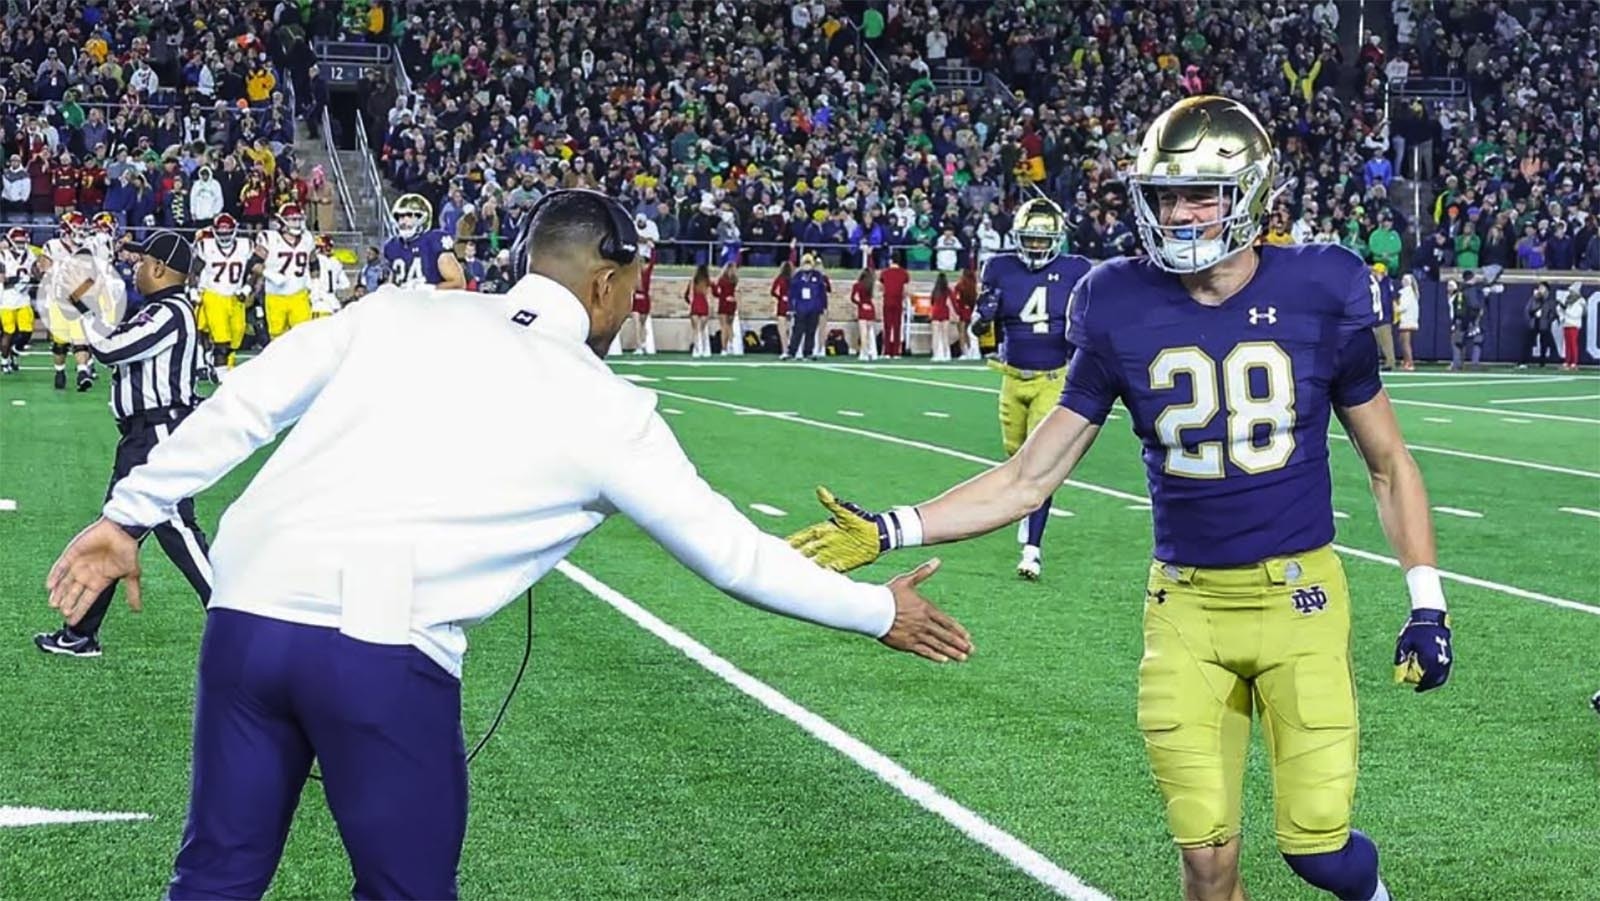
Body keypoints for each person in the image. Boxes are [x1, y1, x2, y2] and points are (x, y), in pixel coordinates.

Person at [44, 190, 971, 899]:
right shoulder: (607, 405)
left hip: (245, 615)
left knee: (214, 879)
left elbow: (242, 404)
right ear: (606, 281)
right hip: (378, 634)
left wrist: (127, 517)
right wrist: (879, 607)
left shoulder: (401, 309)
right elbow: (733, 556)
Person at [787, 96, 1452, 901]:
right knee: (1207, 864)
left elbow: (1387, 463)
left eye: (1200, 193)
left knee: (1317, 848)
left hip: (1301, 599)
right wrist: (893, 527)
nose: (1177, 212)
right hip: (1185, 607)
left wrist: (1426, 602)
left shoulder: (1323, 284)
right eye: (1165, 194)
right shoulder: (1116, 300)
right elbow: (1030, 475)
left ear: (1253, 194)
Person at [36, 231, 213, 657]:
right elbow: (114, 329)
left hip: (157, 436)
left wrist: (82, 300)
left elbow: (112, 347)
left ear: (158, 269)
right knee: (116, 529)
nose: (134, 269)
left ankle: (240, 618)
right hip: (142, 437)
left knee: (177, 530)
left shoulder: (171, 311)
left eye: (140, 262)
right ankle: (80, 633)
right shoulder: (159, 310)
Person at [971, 197, 1093, 580]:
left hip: (1053, 378)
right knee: (1016, 460)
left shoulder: (1076, 269)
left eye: (1043, 240)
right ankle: (1028, 513)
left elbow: (1088, 319)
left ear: (1057, 239)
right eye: (1031, 239)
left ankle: (1032, 549)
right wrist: (983, 319)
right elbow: (981, 329)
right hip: (1012, 376)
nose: (1037, 246)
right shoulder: (1000, 267)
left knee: (1039, 465)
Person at [383, 193, 466, 290]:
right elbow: (392, 281)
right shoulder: (392, 246)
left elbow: (458, 283)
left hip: (432, 303)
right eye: (400, 216)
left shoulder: (434, 241)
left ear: (423, 218)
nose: (403, 222)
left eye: (409, 216)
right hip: (404, 303)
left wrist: (431, 288)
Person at [783, 253, 828, 360]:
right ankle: (792, 352)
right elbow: (792, 294)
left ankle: (808, 352)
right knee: (797, 330)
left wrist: (824, 306)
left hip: (814, 307)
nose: (807, 266)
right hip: (801, 307)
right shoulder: (797, 276)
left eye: (809, 263)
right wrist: (790, 308)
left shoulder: (817, 276)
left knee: (811, 331)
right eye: (805, 263)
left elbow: (822, 293)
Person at [851, 267, 878, 361]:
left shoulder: (857, 285)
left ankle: (864, 353)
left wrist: (860, 304)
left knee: (863, 333)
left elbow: (853, 298)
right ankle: (871, 352)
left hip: (863, 309)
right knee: (869, 333)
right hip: (870, 309)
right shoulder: (870, 285)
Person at [685, 263, 711, 357]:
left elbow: (690, 295)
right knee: (703, 330)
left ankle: (696, 350)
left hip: (696, 305)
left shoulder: (693, 280)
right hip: (704, 305)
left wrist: (691, 305)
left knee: (695, 330)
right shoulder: (707, 281)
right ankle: (705, 350)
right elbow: (708, 295)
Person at [1395, 272, 1419, 370]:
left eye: (1405, 280)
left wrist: (1396, 308)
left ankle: (1409, 363)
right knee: (1402, 341)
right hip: (1407, 320)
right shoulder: (1409, 292)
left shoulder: (1407, 292)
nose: (1403, 281)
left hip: (1407, 320)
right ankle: (1406, 361)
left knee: (1405, 343)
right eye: (1403, 279)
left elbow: (1403, 307)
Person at [1560, 282, 1586, 370]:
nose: (1570, 293)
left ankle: (1574, 362)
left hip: (1574, 324)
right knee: (1567, 344)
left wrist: (1565, 310)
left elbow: (1577, 314)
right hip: (1566, 324)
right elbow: (1562, 311)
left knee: (1573, 344)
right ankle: (1567, 361)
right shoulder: (1568, 300)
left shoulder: (1580, 301)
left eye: (1571, 291)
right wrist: (1562, 313)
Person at [927, 272, 951, 361]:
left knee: (935, 335)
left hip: (936, 312)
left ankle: (935, 354)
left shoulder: (935, 290)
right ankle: (946, 354)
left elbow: (932, 302)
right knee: (945, 335)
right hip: (945, 311)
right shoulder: (948, 290)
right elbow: (952, 301)